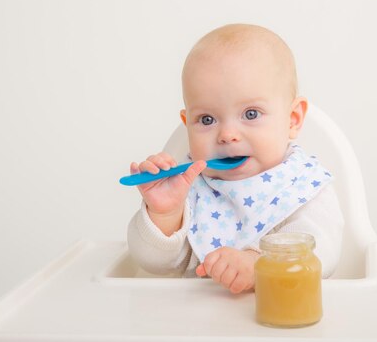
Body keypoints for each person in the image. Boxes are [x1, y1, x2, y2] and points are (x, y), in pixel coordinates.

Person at [126, 23, 344, 294]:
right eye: (207, 119)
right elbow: (153, 263)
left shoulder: (303, 185)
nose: (227, 135)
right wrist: (165, 214)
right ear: (187, 124)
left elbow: (323, 250)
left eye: (251, 114)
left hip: (283, 325)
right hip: (197, 331)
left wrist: (259, 263)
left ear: (293, 119)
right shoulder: (190, 188)